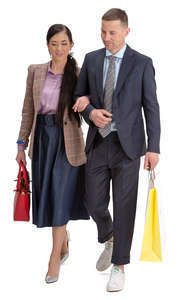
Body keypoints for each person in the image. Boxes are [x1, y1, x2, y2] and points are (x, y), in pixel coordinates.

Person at [73, 8, 161, 292]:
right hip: (98, 143)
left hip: (128, 147)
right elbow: (79, 95)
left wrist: (153, 148)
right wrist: (90, 112)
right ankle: (109, 238)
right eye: (103, 32)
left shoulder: (142, 63)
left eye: (112, 33)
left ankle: (119, 266)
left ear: (126, 31)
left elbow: (151, 107)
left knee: (124, 208)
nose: (106, 38)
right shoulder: (92, 59)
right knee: (93, 202)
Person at [16, 24, 89, 284]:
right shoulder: (35, 72)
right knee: (50, 195)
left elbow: (87, 111)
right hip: (43, 141)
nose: (59, 48)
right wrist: (21, 145)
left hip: (67, 141)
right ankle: (64, 242)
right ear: (47, 44)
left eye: (64, 43)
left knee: (60, 195)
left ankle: (54, 256)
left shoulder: (80, 74)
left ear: (71, 46)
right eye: (54, 43)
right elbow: (28, 109)